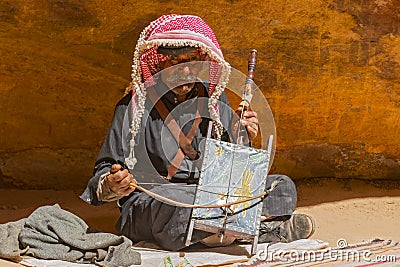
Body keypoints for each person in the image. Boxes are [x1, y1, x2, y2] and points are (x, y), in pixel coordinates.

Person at [80, 14, 315, 251]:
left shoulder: (213, 101)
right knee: (180, 210)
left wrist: (243, 138)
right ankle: (261, 231)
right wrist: (112, 184)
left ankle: (214, 233)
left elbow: (232, 173)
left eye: (191, 60)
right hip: (157, 200)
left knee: (282, 188)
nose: (185, 70)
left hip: (209, 195)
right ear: (158, 64)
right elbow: (104, 170)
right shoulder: (132, 106)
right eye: (174, 63)